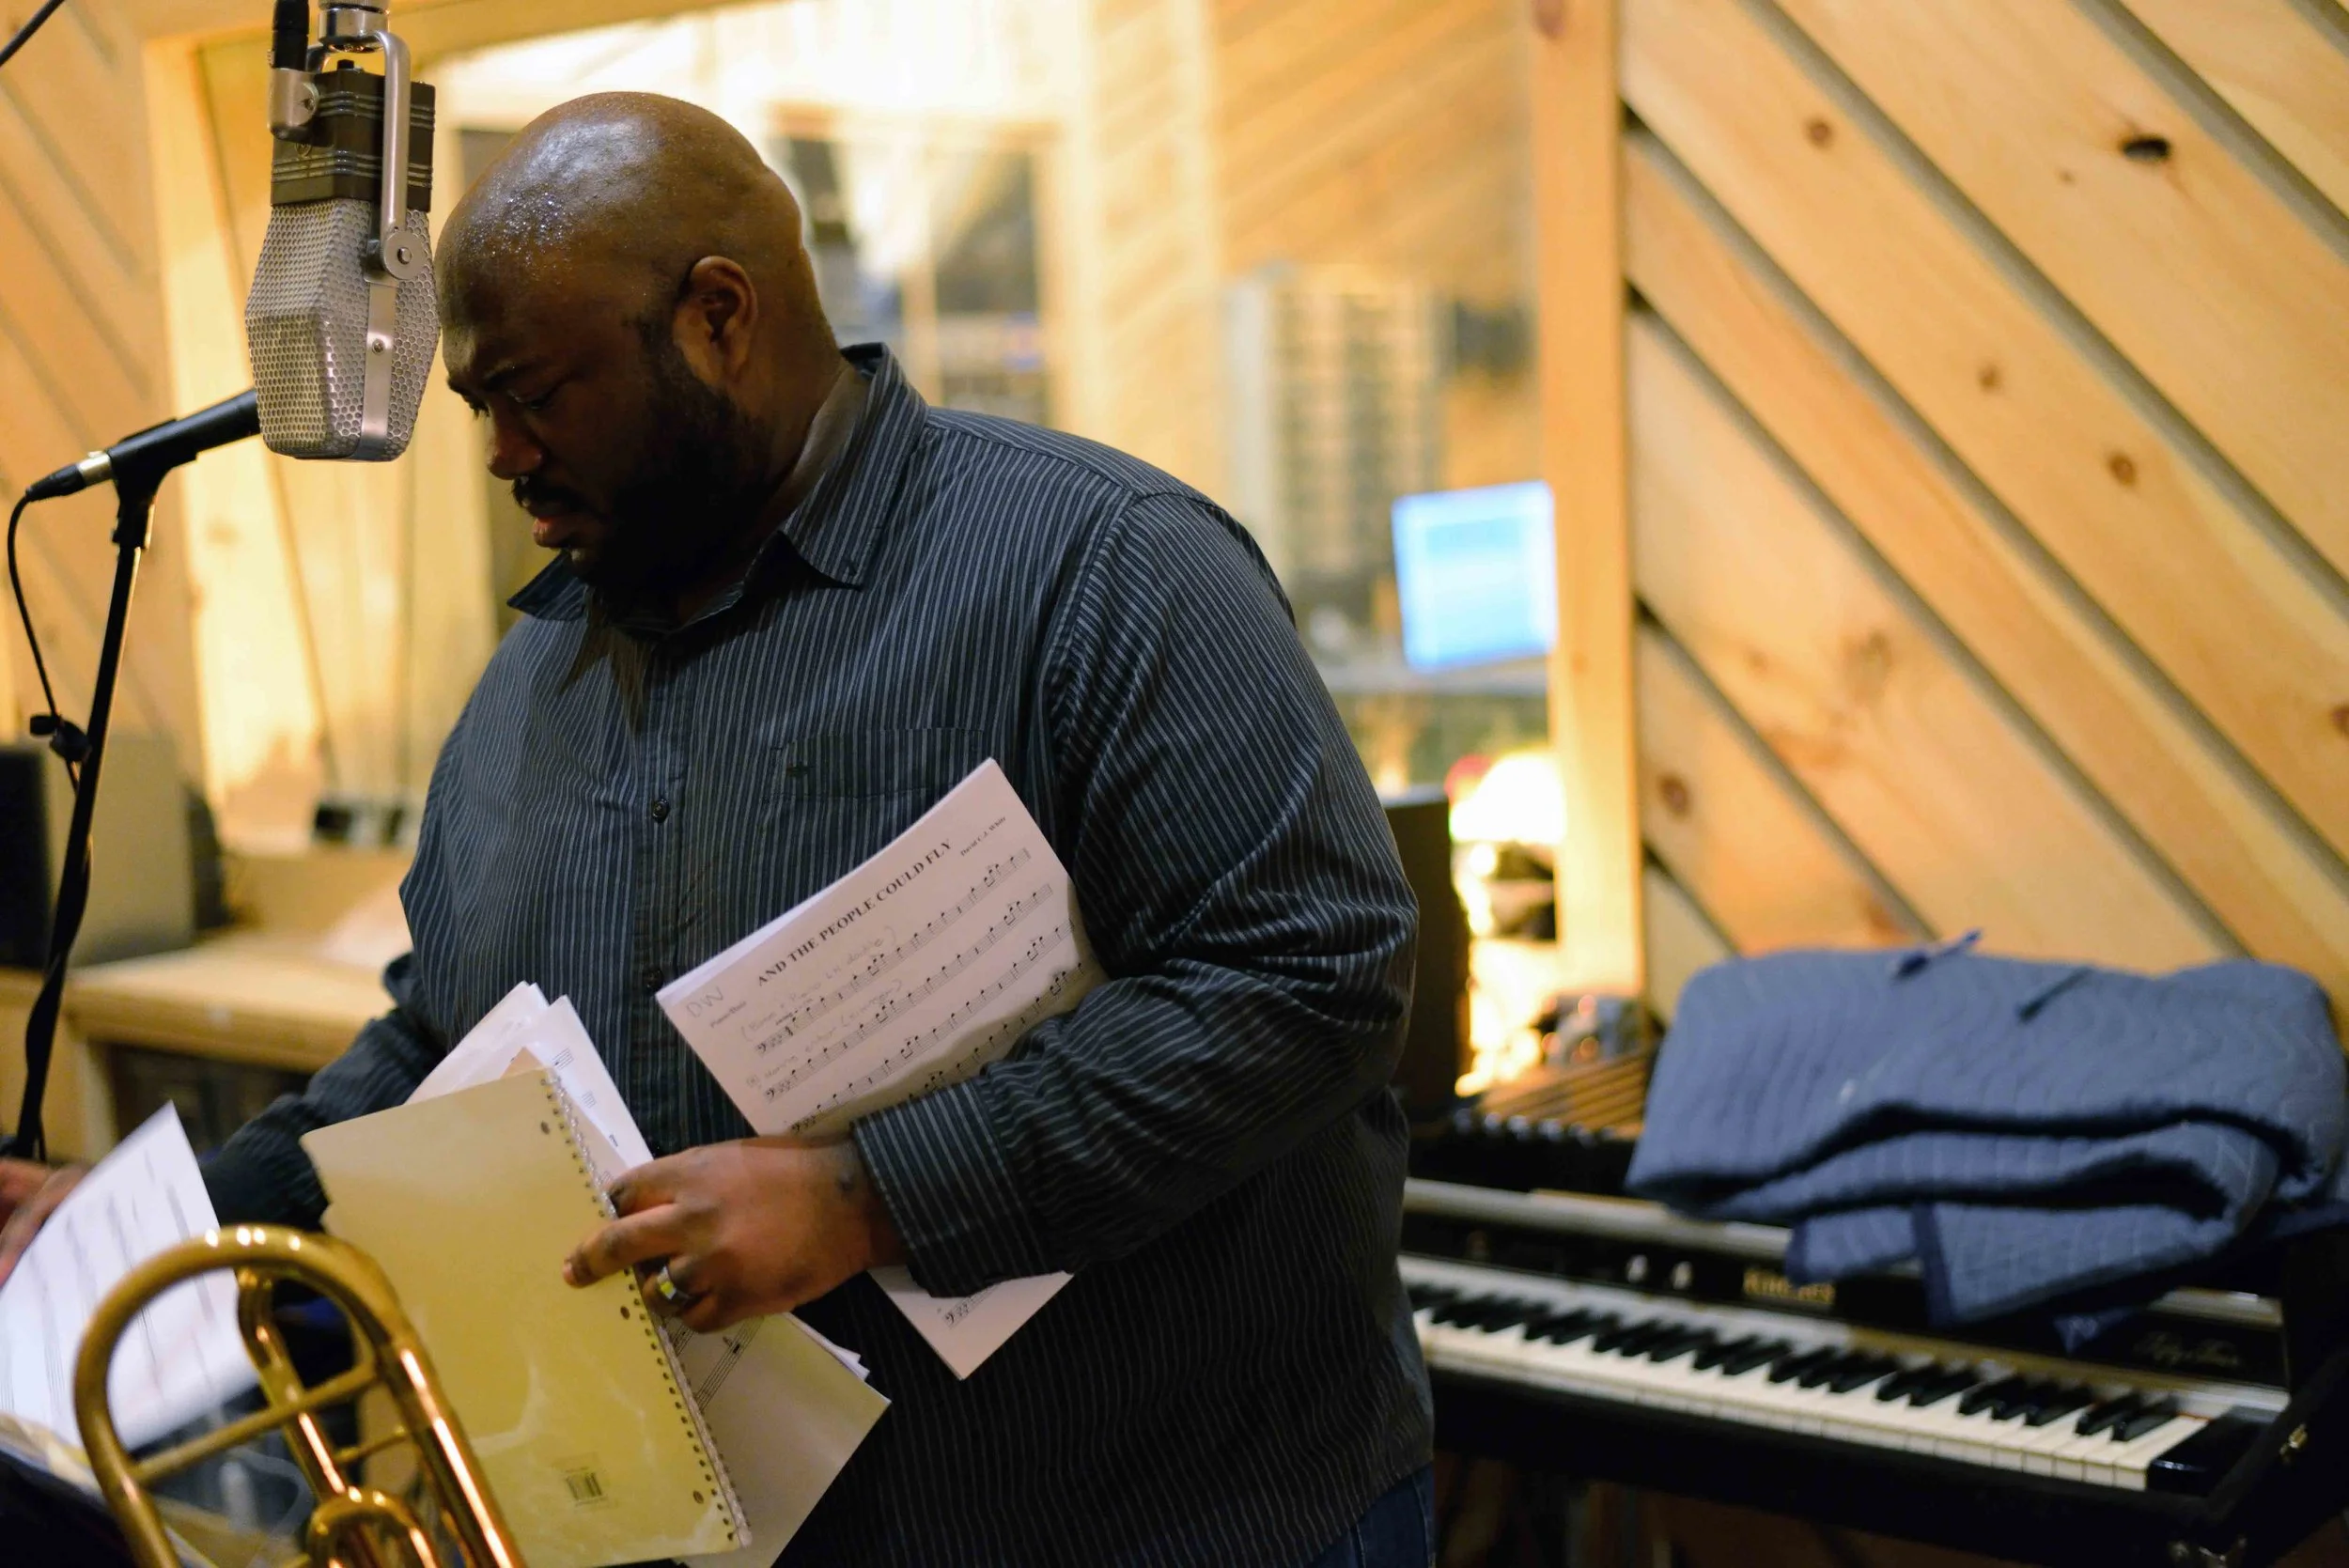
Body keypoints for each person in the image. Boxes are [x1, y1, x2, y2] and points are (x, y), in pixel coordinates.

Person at [0, 93, 1433, 1566]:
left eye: (537, 393)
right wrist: (152, 1225)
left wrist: (867, 1198)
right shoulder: (526, 687)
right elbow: (443, 1052)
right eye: (481, 409)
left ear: (719, 318)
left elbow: (1307, 979)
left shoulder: (1102, 568)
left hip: (1167, 1518)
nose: (502, 454)